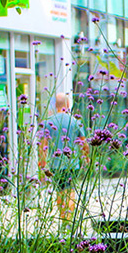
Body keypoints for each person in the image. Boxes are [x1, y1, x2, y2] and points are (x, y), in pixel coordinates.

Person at [39, 93, 88, 221]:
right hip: (72, 164)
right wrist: (86, 158)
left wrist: (42, 163)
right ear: (67, 105)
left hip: (56, 164)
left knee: (60, 191)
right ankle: (69, 217)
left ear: (56, 105)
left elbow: (43, 146)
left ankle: (63, 216)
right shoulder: (75, 121)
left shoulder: (48, 122)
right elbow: (84, 143)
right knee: (70, 190)